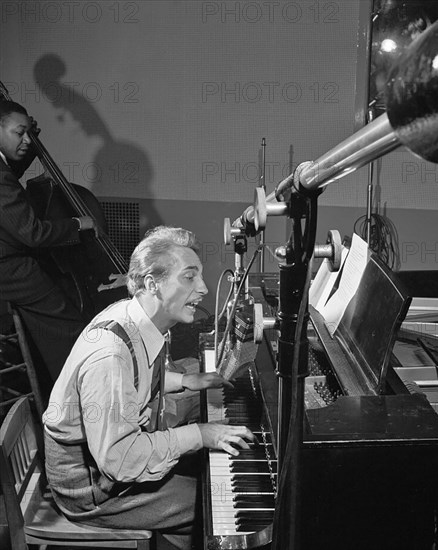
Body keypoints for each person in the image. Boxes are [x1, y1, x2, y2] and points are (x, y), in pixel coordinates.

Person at [42, 226, 256, 550]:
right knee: (215, 503)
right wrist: (200, 433)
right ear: (152, 284)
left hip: (103, 467)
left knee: (206, 470)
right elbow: (119, 459)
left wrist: (184, 381)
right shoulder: (109, 356)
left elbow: (133, 379)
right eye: (189, 277)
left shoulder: (133, 317)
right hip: (90, 490)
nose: (203, 288)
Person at [0, 100, 97, 392]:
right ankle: (77, 395)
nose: (27, 140)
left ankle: (46, 381)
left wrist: (27, 147)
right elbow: (32, 233)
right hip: (8, 266)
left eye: (28, 133)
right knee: (67, 324)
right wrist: (78, 224)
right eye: (20, 133)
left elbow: (8, 183)